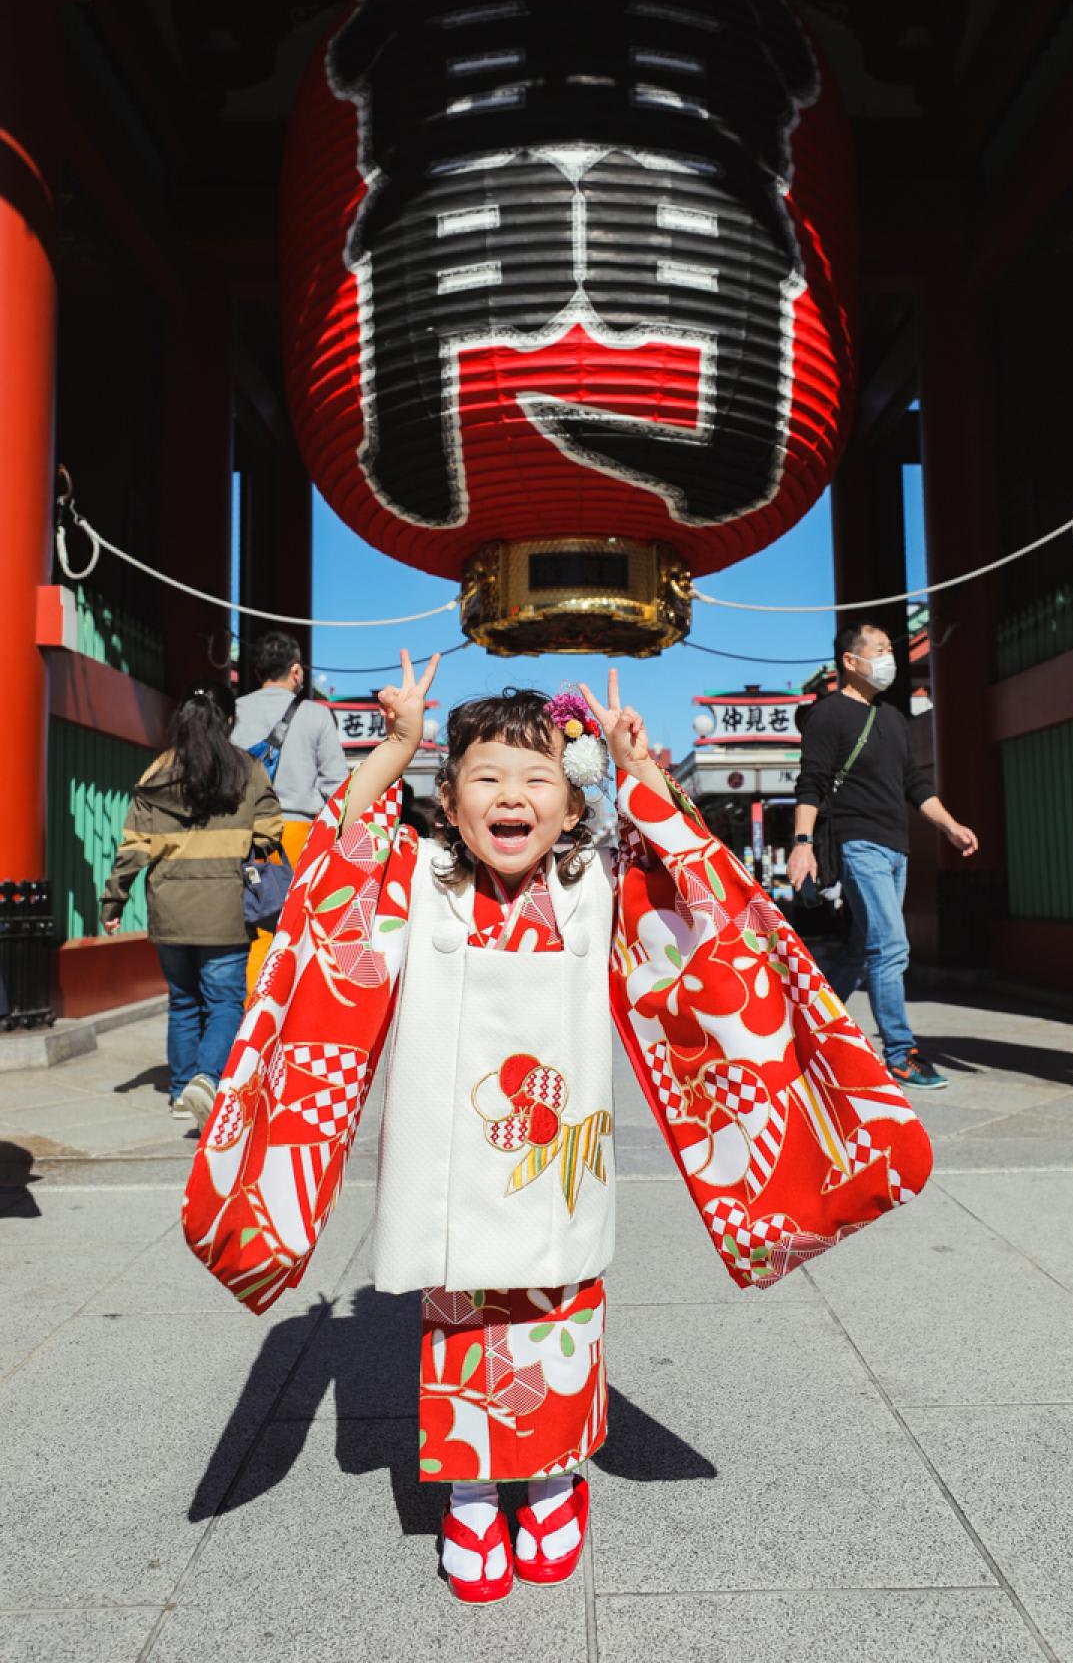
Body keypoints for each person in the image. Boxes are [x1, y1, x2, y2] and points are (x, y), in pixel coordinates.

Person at [182, 654, 934, 1604]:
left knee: (559, 1313)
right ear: (448, 801)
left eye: (538, 779)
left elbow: (697, 886)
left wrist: (637, 767)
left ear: (573, 805)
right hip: (452, 1162)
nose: (511, 797)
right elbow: (337, 856)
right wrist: (399, 747)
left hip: (557, 1159)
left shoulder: (597, 886)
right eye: (485, 778)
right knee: (462, 1317)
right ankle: (468, 1491)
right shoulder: (420, 879)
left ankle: (549, 1480)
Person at [789, 622, 979, 1090]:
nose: (887, 658)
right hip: (859, 844)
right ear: (850, 661)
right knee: (891, 946)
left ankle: (807, 1031)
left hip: (897, 848)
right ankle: (900, 1053)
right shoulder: (828, 715)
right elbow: (811, 782)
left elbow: (915, 783)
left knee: (862, 949)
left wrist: (951, 826)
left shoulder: (892, 718)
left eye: (889, 649)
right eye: (877, 650)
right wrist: (802, 843)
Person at [101, 682, 283, 1128]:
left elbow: (133, 847)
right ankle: (208, 1078)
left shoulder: (156, 774)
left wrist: (114, 901)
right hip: (225, 907)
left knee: (183, 1001)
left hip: (170, 907)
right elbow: (269, 832)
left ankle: (182, 1091)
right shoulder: (246, 768)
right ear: (228, 720)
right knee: (224, 1002)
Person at [231, 631, 346, 990]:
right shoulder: (315, 715)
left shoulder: (233, 711)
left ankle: (252, 1007)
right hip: (297, 834)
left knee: (251, 926)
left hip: (241, 832)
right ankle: (283, 1008)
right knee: (295, 927)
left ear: (256, 671)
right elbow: (337, 786)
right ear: (296, 670)